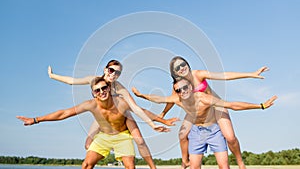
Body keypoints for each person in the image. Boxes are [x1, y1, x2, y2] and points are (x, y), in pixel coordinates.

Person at [134, 56, 270, 169]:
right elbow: (169, 100)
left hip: (215, 106)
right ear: (174, 73)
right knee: (182, 134)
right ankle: (185, 161)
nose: (182, 68)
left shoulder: (197, 74)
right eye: (177, 68)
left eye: (183, 64)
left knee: (230, 137)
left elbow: (224, 76)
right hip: (197, 110)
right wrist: (162, 113)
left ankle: (240, 162)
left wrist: (250, 74)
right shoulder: (179, 86)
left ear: (187, 64)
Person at [48, 60, 178, 169]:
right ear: (105, 70)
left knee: (140, 140)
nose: (114, 74)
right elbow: (72, 81)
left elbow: (136, 108)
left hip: (122, 115)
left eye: (118, 72)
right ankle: (112, 147)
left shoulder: (119, 88)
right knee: (87, 145)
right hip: (103, 116)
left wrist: (153, 123)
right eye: (111, 70)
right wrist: (53, 76)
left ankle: (152, 167)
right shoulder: (93, 80)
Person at [18, 76, 167, 168]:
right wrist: (36, 120)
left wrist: (162, 120)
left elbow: (142, 111)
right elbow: (64, 113)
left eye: (104, 88)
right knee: (86, 164)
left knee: (130, 167)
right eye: (97, 90)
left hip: (123, 136)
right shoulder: (91, 104)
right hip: (103, 137)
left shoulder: (121, 102)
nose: (101, 92)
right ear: (93, 94)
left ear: (108, 88)